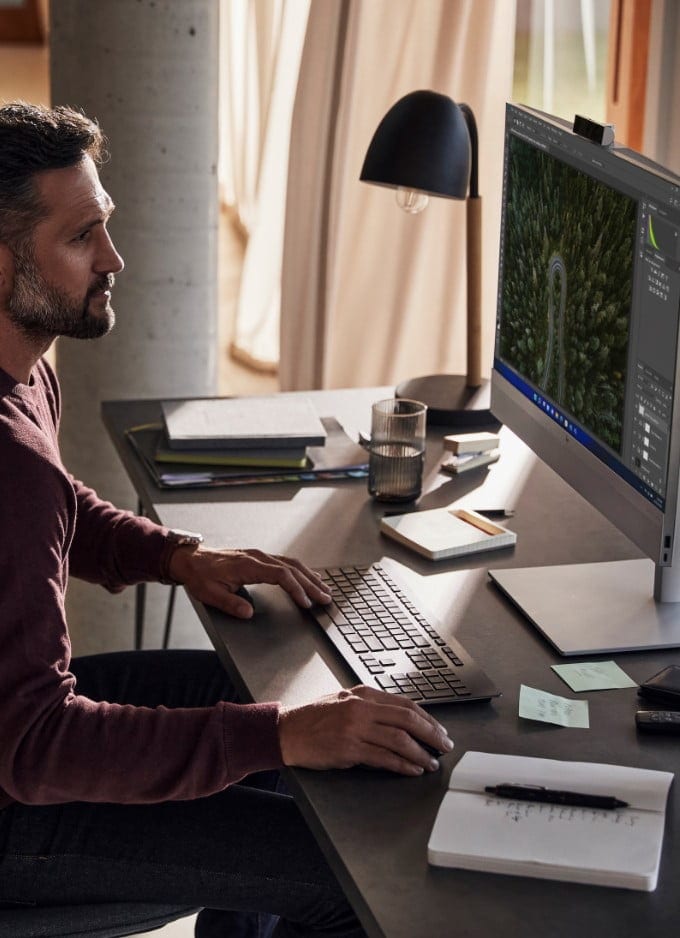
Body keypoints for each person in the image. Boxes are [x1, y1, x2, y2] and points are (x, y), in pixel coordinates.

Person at [0, 102, 453, 937]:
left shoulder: (21, 369)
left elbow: (52, 516)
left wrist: (178, 555)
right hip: (18, 805)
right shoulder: (7, 461)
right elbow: (37, 750)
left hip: (15, 733)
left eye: (106, 226)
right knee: (354, 879)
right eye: (80, 238)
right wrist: (278, 738)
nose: (115, 258)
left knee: (255, 694)